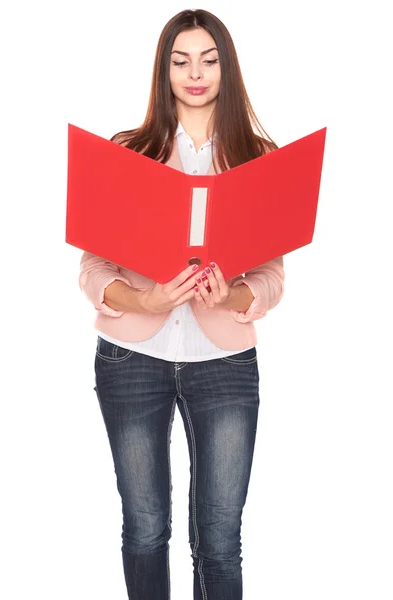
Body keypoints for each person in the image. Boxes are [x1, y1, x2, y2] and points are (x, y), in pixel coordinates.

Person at [78, 8, 285, 600]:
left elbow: (271, 277)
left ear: (227, 67)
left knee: (220, 536)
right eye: (181, 60)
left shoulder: (256, 157)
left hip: (224, 363)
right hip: (130, 360)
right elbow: (93, 268)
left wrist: (238, 293)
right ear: (164, 70)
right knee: (145, 527)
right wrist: (143, 296)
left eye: (209, 59)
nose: (195, 73)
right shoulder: (129, 150)